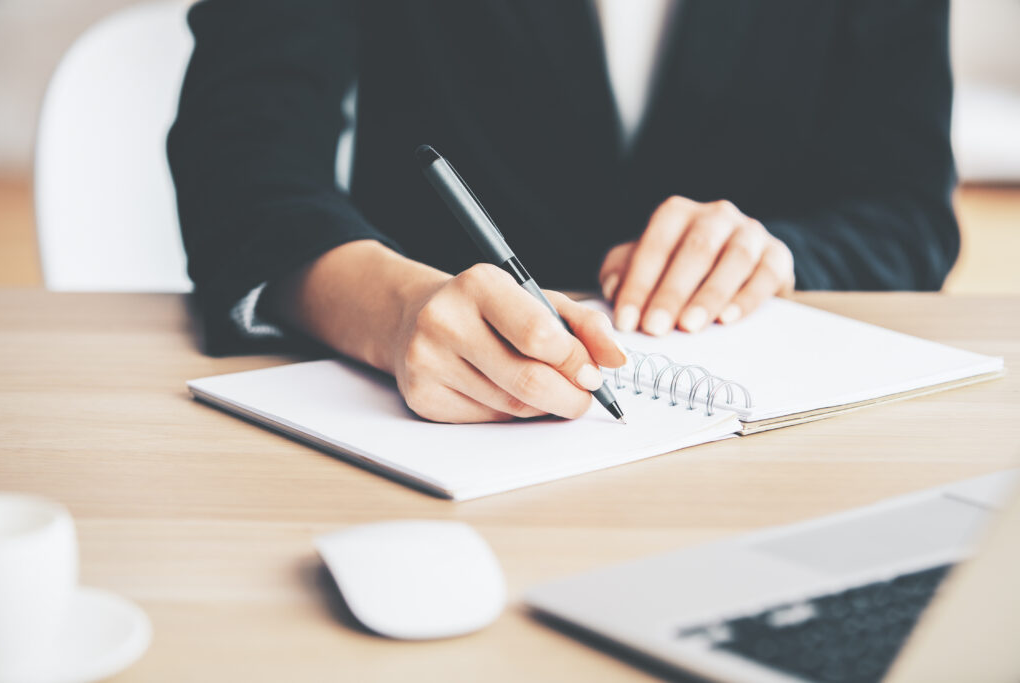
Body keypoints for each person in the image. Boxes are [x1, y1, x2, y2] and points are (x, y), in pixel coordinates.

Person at [168, 0, 959, 424]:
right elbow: (240, 151)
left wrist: (781, 254)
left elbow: (909, 204)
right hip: (419, 429)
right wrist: (395, 310)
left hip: (764, 458)